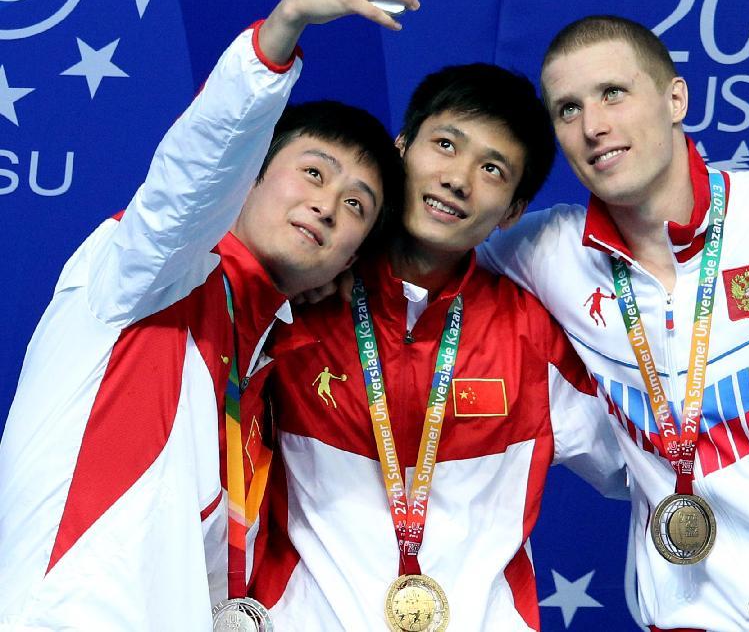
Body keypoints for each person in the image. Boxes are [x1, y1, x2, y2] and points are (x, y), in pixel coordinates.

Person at [0, 0, 424, 630]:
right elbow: (186, 185)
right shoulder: (147, 275)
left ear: (348, 262)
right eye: (313, 173)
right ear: (251, 174)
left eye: (356, 206)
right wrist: (282, 30)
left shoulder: (259, 372)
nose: (326, 205)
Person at [480, 15, 749, 631]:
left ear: (675, 98)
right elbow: (427, 249)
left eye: (613, 94)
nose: (594, 126)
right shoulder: (548, 253)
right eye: (568, 109)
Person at [247, 63, 628, 630]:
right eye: (445, 144)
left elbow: (645, 465)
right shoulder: (295, 305)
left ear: (513, 213)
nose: (457, 179)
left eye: (492, 169)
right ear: (401, 150)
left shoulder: (531, 337)